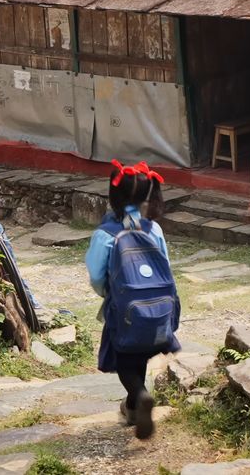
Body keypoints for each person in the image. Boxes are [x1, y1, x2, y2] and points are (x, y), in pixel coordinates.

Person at [84, 160, 181, 440]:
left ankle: (139, 396)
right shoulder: (154, 230)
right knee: (138, 353)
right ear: (147, 196)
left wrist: (109, 294)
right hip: (158, 310)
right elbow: (166, 267)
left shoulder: (106, 234)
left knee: (124, 360)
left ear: (113, 196)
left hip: (125, 309)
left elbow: (96, 275)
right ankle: (133, 406)